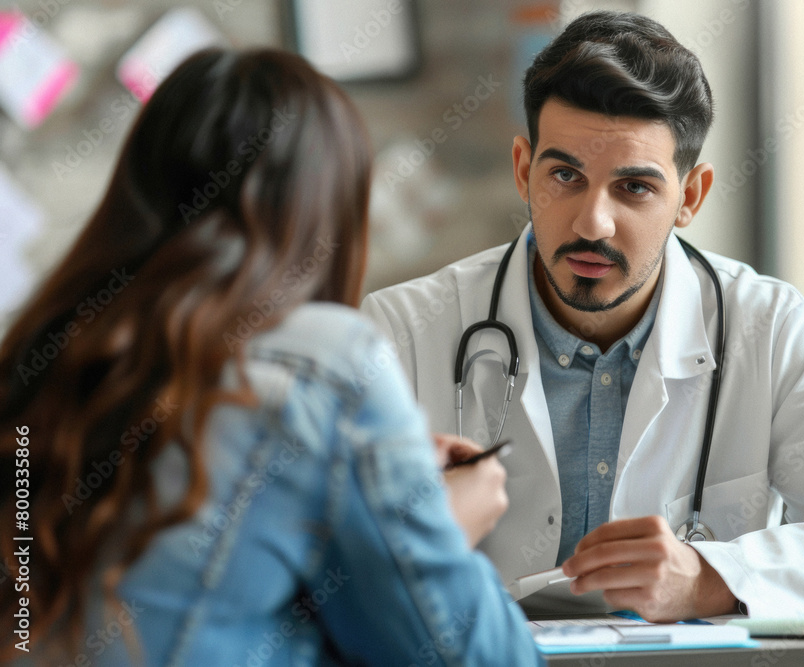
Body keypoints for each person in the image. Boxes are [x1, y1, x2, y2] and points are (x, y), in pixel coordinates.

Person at [361, 10, 804, 623]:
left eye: (634, 188)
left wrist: (711, 577)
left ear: (689, 197)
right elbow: (310, 567)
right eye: (565, 175)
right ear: (522, 171)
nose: (592, 222)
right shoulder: (400, 333)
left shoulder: (770, 330)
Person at [0, 48, 543, 665]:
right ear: (327, 213)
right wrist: (435, 526)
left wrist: (380, 476)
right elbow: (477, 657)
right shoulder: (328, 363)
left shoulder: (39, 353)